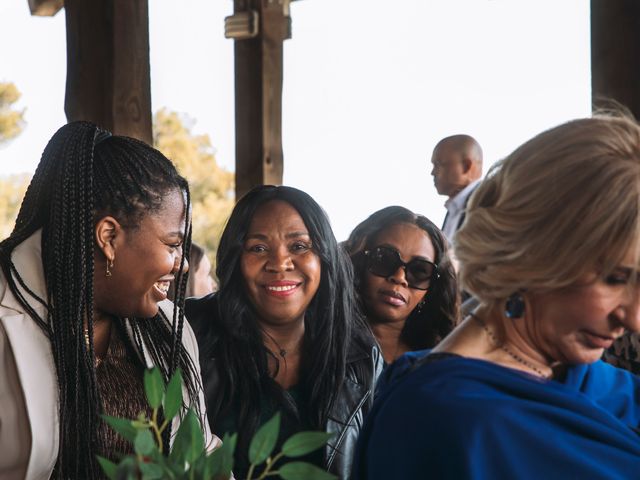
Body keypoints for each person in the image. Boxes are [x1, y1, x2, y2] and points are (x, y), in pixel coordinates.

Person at [353, 114, 640, 479]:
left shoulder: (575, 373)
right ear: (532, 251)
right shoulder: (441, 418)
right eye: (615, 279)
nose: (633, 319)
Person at [0, 122, 216, 479]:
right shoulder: (9, 315)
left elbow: (201, 454)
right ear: (109, 236)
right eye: (173, 244)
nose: (184, 264)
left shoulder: (169, 326)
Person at [186, 185, 382, 479]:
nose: (279, 263)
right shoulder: (190, 332)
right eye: (258, 248)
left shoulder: (360, 355)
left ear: (324, 257)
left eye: (299, 246)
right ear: (236, 259)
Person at [342, 206, 458, 365]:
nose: (399, 277)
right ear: (359, 262)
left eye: (419, 270)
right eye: (384, 259)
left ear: (432, 286)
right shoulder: (318, 341)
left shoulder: (440, 363)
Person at [430, 134, 483, 243]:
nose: (433, 173)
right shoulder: (455, 206)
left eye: (439, 164)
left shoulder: (485, 205)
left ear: (466, 166)